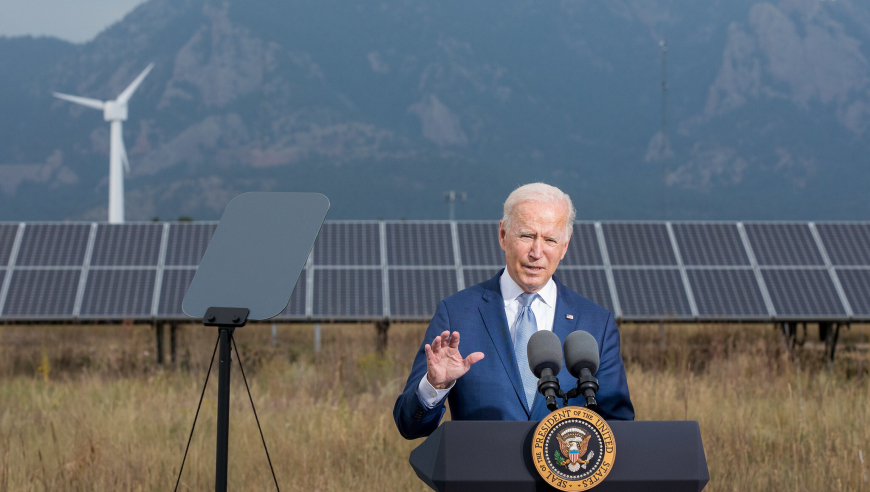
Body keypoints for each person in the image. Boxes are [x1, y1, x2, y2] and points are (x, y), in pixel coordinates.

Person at [393, 183, 634, 440]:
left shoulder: (597, 323)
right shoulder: (457, 314)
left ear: (564, 246)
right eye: (527, 236)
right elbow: (410, 426)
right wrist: (435, 386)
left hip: (567, 476)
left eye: (550, 239)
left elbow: (619, 428)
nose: (537, 253)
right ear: (503, 234)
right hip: (482, 477)